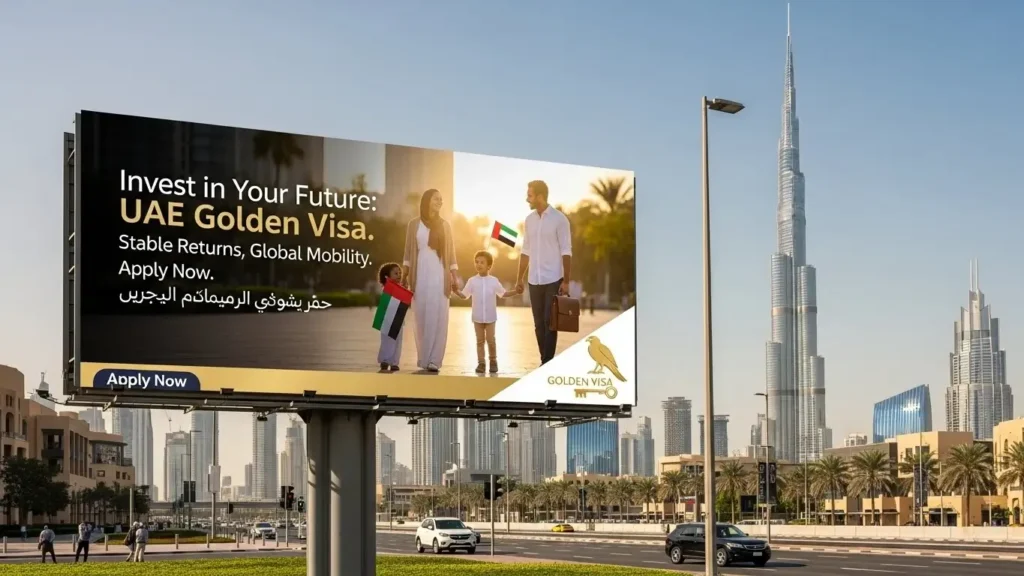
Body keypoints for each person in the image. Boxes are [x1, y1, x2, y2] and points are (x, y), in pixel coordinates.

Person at [514, 180, 572, 365]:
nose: (527, 199)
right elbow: (525, 250)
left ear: (540, 196)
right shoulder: (529, 220)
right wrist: (519, 279)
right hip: (534, 280)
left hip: (553, 278)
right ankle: (544, 359)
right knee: (539, 324)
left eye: (530, 195)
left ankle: (547, 362)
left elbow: (566, 251)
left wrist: (566, 281)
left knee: (549, 321)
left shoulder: (559, 219)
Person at [402, 188, 458, 372]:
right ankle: (424, 358)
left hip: (439, 274)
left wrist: (454, 276)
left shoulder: (445, 225)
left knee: (438, 314)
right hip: (419, 274)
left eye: (441, 199)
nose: (440, 202)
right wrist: (404, 274)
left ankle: (435, 359)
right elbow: (408, 252)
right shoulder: (414, 224)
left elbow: (451, 253)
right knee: (421, 315)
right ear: (427, 201)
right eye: (436, 199)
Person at [453, 250, 510, 374]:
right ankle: (481, 363)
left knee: (491, 340)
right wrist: (456, 291)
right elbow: (464, 295)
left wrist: (516, 291)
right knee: (479, 341)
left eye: (482, 262)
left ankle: (493, 361)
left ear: (489, 266)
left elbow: (503, 293)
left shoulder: (494, 281)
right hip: (477, 317)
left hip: (490, 317)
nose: (478, 264)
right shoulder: (472, 281)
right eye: (477, 262)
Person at [376, 262, 405, 372]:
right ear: (387, 277)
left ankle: (394, 362)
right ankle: (385, 360)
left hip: (398, 319)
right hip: (387, 319)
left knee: (397, 341)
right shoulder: (388, 287)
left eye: (400, 273)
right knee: (386, 340)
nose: (399, 275)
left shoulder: (401, 288)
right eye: (395, 273)